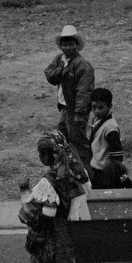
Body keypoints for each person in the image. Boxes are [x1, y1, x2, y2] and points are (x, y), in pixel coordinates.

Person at [21, 130, 95, 263]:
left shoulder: (49, 180)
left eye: (41, 153)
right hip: (74, 227)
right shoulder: (78, 171)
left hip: (56, 233)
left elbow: (49, 213)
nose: (39, 156)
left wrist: (34, 221)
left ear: (48, 155)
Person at [44, 25, 95, 163]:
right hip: (65, 108)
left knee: (78, 144)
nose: (67, 47)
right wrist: (61, 70)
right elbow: (49, 75)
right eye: (64, 44)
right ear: (61, 46)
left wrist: (79, 113)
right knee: (63, 141)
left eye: (70, 44)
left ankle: (87, 174)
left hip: (75, 111)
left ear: (76, 45)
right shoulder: (60, 60)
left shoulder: (82, 65)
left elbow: (84, 91)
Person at [86, 88, 131, 190]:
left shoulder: (111, 128)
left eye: (101, 107)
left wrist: (116, 174)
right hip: (96, 169)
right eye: (94, 107)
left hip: (105, 173)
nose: (97, 111)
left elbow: (117, 155)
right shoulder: (97, 119)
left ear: (110, 106)